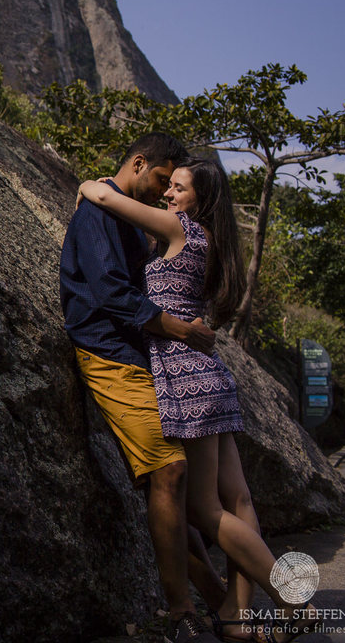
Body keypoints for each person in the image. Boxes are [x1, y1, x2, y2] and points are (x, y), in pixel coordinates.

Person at [77, 157, 320, 643]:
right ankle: (237, 615)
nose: (168, 194)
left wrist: (88, 182)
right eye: (169, 186)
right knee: (239, 497)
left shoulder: (181, 230)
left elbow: (106, 197)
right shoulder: (215, 243)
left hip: (185, 376)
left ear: (199, 200)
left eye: (179, 188)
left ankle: (296, 602)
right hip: (210, 374)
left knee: (204, 510)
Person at [61, 133, 223, 643]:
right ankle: (181, 615)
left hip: (140, 354)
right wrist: (182, 330)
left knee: (174, 483)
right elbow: (110, 292)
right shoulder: (98, 212)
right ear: (138, 163)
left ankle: (219, 605)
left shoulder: (127, 213)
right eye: (160, 180)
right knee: (169, 471)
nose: (163, 193)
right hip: (108, 351)